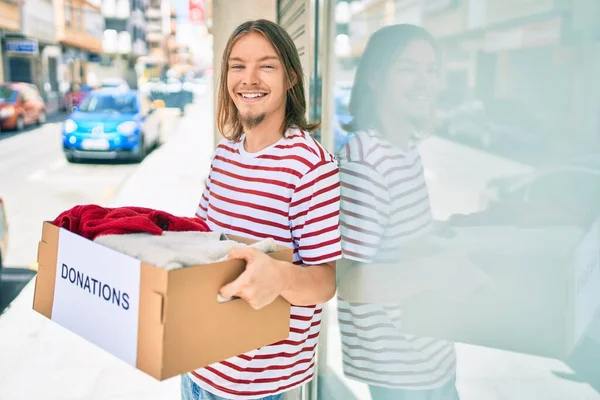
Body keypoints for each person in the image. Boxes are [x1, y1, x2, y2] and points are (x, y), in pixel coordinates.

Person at [182, 19, 342, 400]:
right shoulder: (224, 154)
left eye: (266, 66)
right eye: (238, 66)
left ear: (289, 77)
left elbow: (324, 283)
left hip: (257, 388)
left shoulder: (310, 166)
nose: (249, 79)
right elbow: (203, 239)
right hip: (197, 366)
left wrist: (280, 277)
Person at [336, 25, 461, 399]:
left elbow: (397, 239)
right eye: (408, 68)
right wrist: (437, 271)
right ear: (375, 77)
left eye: (432, 70)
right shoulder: (366, 161)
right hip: (400, 370)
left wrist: (452, 238)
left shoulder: (404, 146)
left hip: (431, 351)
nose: (424, 82)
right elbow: (350, 281)